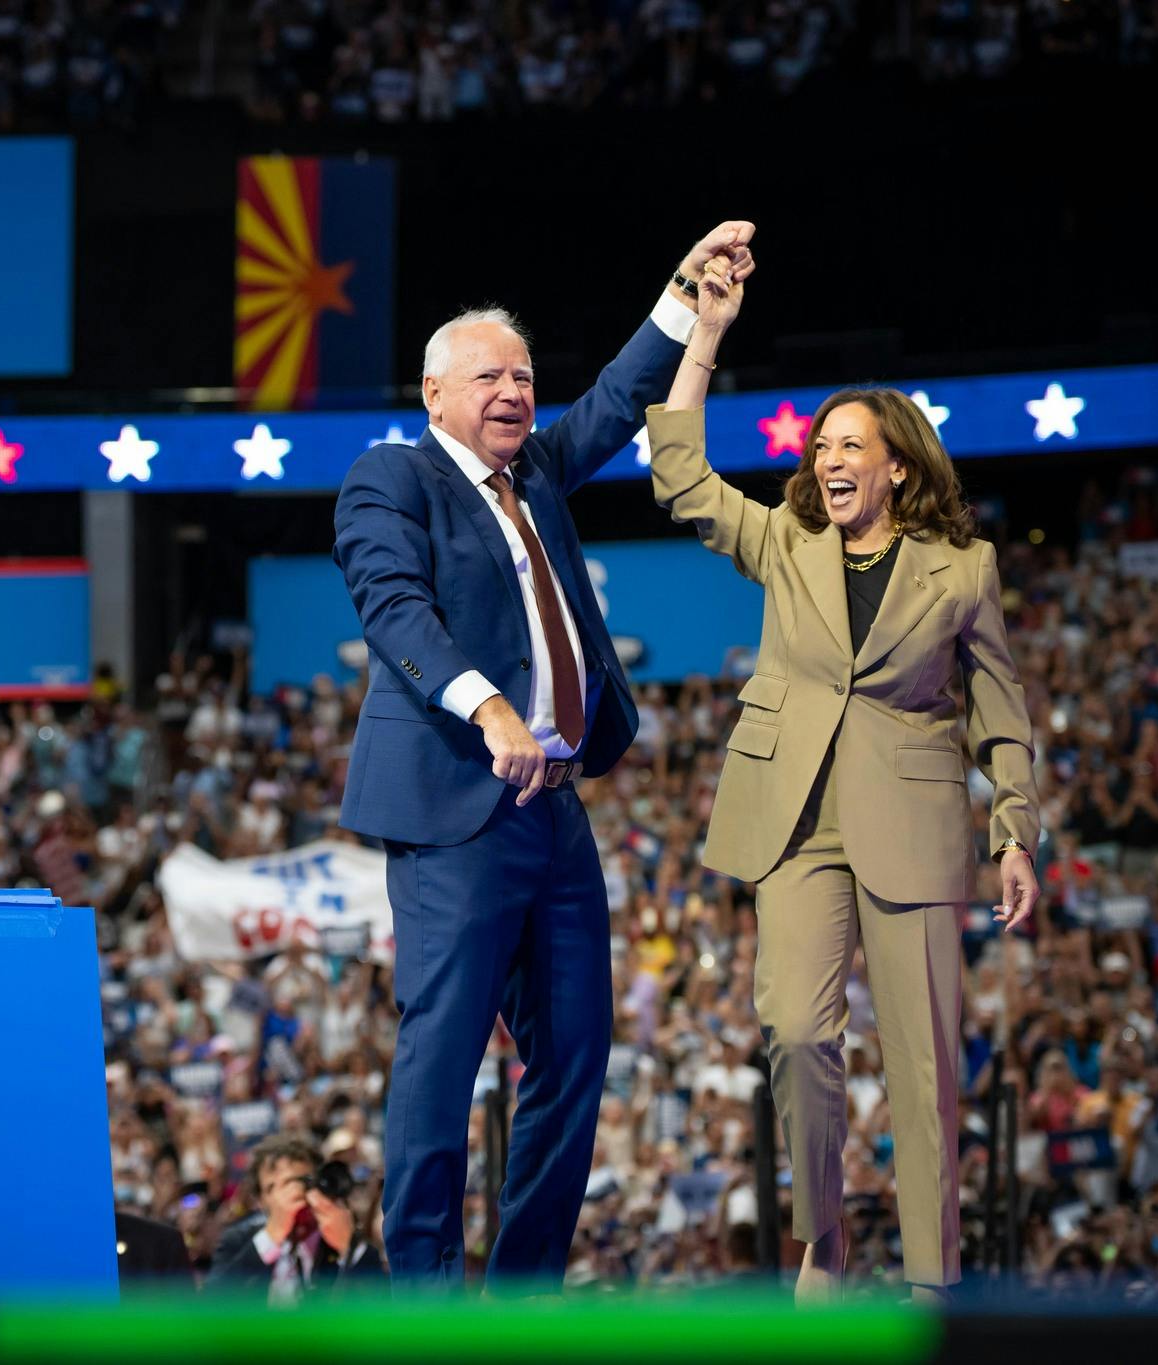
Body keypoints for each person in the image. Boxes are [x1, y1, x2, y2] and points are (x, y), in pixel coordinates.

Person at [332, 222, 759, 1292]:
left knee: (573, 1058)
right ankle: (423, 1297)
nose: (512, 392)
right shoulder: (391, 479)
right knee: (443, 1051)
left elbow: (617, 397)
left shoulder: (538, 477)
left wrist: (685, 294)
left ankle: (522, 1294)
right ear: (434, 394)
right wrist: (486, 708)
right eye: (488, 376)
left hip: (555, 811)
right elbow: (394, 607)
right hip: (457, 807)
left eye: (522, 376)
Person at [645, 258, 1039, 1303]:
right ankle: (823, 1238)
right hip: (795, 823)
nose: (828, 459)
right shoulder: (787, 542)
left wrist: (1014, 830)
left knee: (923, 1067)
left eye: (849, 446)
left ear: (896, 467)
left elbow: (1000, 710)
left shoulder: (963, 569)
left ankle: (933, 1282)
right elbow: (679, 476)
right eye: (820, 446)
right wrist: (703, 336)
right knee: (796, 1034)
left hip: (912, 826)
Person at [206, 1135, 385, 1300]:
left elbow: (380, 1305)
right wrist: (271, 1237)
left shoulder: (342, 1235)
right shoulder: (237, 1241)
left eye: (299, 1181)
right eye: (272, 1187)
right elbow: (211, 1308)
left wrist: (349, 1247)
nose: (289, 1194)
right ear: (260, 1201)